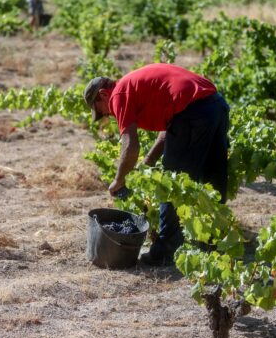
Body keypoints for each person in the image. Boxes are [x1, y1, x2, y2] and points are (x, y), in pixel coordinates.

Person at [83, 63, 230, 266]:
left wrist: (119, 180)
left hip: (192, 114)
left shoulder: (118, 94)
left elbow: (130, 144)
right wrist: (149, 160)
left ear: (103, 94)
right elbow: (169, 126)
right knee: (213, 176)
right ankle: (215, 242)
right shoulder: (136, 85)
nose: (108, 116)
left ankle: (165, 251)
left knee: (171, 184)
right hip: (215, 105)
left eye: (102, 111)